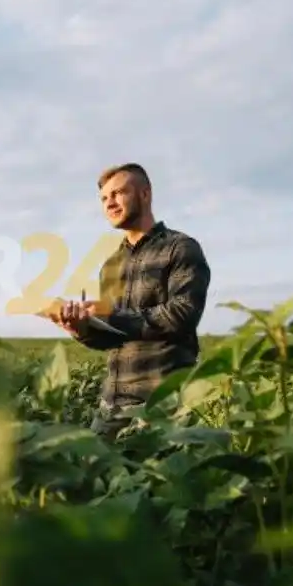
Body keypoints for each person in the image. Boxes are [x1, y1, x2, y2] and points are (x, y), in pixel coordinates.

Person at [51, 163, 211, 440]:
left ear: (145, 194)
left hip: (163, 405)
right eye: (104, 198)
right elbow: (111, 337)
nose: (109, 202)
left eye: (118, 193)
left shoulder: (180, 247)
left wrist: (115, 316)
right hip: (112, 403)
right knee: (93, 476)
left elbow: (182, 314)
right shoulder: (111, 264)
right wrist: (82, 329)